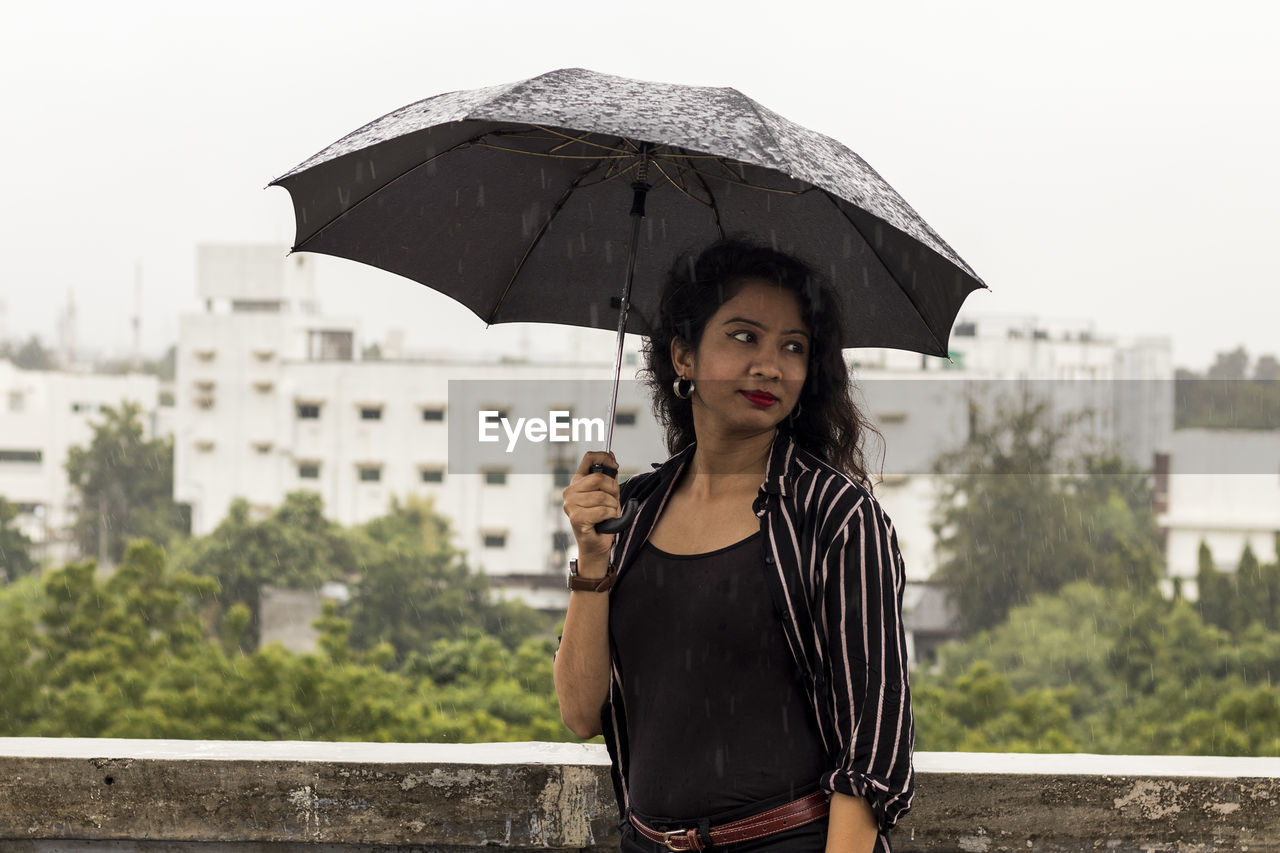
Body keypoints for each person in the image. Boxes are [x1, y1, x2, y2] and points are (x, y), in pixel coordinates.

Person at [554, 237, 914, 853]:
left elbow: (871, 750)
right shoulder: (634, 510)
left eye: (793, 347)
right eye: (744, 336)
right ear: (683, 357)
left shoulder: (835, 517)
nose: (770, 366)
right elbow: (581, 711)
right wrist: (592, 561)